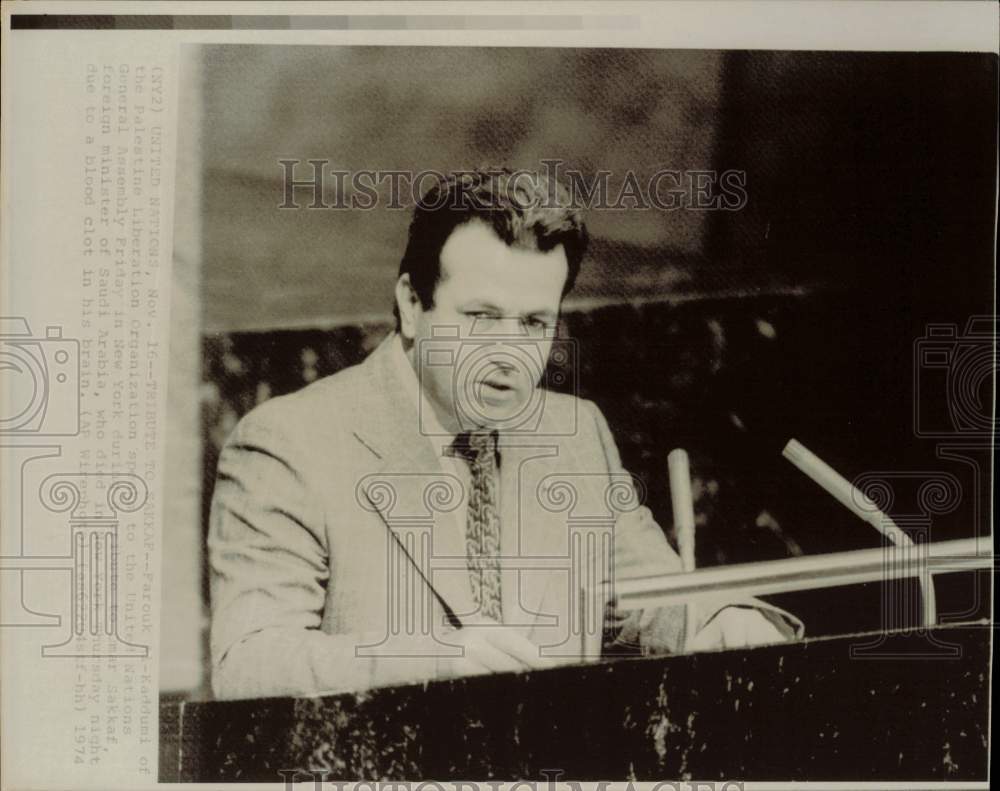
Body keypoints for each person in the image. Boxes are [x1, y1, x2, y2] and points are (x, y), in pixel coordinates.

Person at [208, 169, 803, 700]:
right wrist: (429, 658)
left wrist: (728, 624)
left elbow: (658, 603)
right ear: (412, 305)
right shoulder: (290, 443)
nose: (509, 355)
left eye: (535, 323)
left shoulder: (573, 433)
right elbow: (250, 663)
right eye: (481, 317)